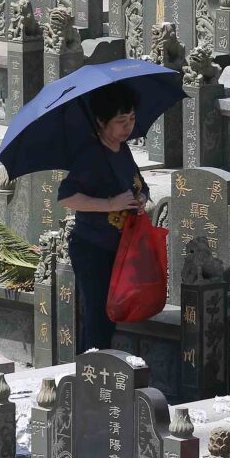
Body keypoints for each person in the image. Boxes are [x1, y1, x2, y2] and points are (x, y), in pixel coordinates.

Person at [57, 82, 149, 353]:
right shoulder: (90, 156)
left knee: (114, 313)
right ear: (101, 121)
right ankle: (92, 371)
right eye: (121, 121)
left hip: (122, 247)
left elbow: (139, 183)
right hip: (92, 248)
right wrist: (110, 204)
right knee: (98, 315)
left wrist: (141, 198)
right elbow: (66, 197)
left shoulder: (122, 149)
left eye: (131, 119)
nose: (128, 127)